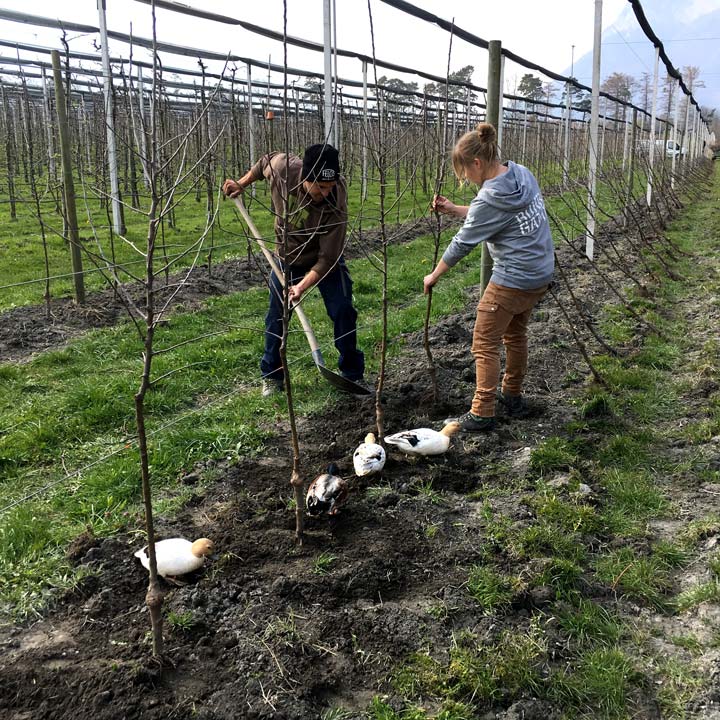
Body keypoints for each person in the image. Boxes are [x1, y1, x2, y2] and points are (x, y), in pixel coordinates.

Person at [423, 122, 554, 432]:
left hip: (514, 278)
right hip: (540, 273)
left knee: (484, 341)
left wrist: (434, 274)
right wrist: (455, 208)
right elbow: (494, 212)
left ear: (477, 163)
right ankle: (511, 395)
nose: (465, 178)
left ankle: (482, 411)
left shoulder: (489, 197)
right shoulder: (521, 173)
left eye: (464, 172)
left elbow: (463, 243)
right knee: (515, 335)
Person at [222, 143, 365, 396]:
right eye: (320, 186)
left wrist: (301, 286)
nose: (325, 192)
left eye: (330, 186)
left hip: (324, 261)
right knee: (276, 316)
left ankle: (352, 374)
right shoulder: (284, 170)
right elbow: (264, 162)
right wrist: (241, 183)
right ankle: (272, 376)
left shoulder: (337, 199)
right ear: (305, 178)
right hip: (286, 258)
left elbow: (328, 257)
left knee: (343, 309)